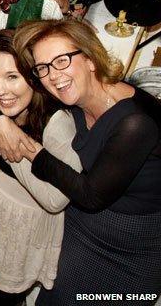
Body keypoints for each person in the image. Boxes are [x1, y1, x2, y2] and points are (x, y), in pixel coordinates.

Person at [9, 19, 161, 305]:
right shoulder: (71, 96)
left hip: (130, 247)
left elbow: (90, 195)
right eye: (44, 68)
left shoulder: (135, 123)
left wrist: (33, 153)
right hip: (79, 226)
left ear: (90, 59)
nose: (54, 75)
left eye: (62, 60)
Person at [0, 30, 80, 306]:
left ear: (32, 76)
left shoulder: (57, 122)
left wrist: (14, 147)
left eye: (12, 77)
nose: (0, 90)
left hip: (21, 230)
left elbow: (56, 199)